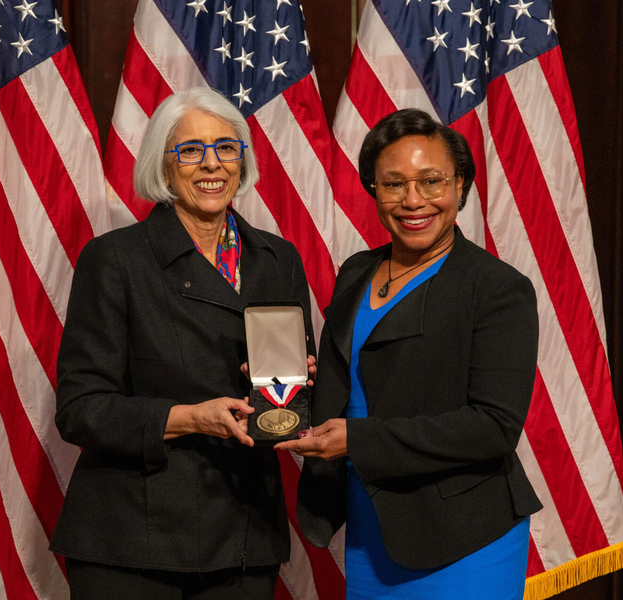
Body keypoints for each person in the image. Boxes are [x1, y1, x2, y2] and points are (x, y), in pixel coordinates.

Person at [50, 87, 315, 599]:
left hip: (244, 535)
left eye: (226, 147)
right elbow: (81, 410)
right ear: (163, 168)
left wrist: (299, 384)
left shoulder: (278, 259)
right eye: (190, 150)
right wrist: (192, 417)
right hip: (133, 541)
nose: (211, 163)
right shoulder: (115, 260)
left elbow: (291, 377)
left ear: (243, 161)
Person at [276, 108, 542, 599]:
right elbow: (353, 382)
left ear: (460, 186)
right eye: (394, 184)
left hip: (462, 534)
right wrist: (280, 390)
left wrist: (359, 440)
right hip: (371, 521)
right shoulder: (357, 271)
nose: (413, 200)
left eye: (432, 181)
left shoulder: (497, 289)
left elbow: (493, 426)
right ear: (373, 190)